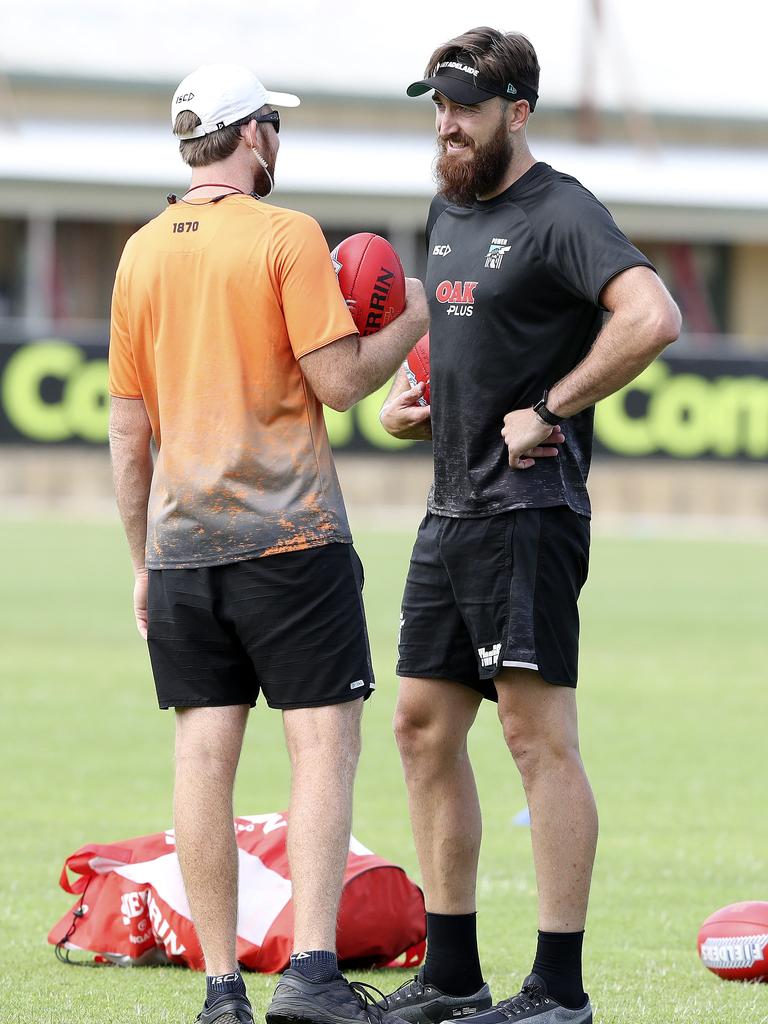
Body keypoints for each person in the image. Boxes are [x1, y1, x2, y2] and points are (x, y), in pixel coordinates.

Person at [108, 63, 428, 1024]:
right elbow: (340, 383)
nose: (277, 143)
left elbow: (129, 433)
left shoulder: (139, 253)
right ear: (253, 136)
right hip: (292, 541)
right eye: (273, 129)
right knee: (322, 747)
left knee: (203, 757)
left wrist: (139, 563)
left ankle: (219, 993)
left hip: (180, 553)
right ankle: (314, 978)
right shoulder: (287, 236)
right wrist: (414, 310)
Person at [377, 27, 681, 1024]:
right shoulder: (449, 213)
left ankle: (557, 989)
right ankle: (453, 974)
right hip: (449, 511)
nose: (446, 122)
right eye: (437, 104)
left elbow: (652, 315)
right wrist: (414, 393)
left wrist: (551, 410)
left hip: (530, 514)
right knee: (421, 727)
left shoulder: (562, 211)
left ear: (517, 111)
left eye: (463, 105)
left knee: (533, 734)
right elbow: (465, 330)